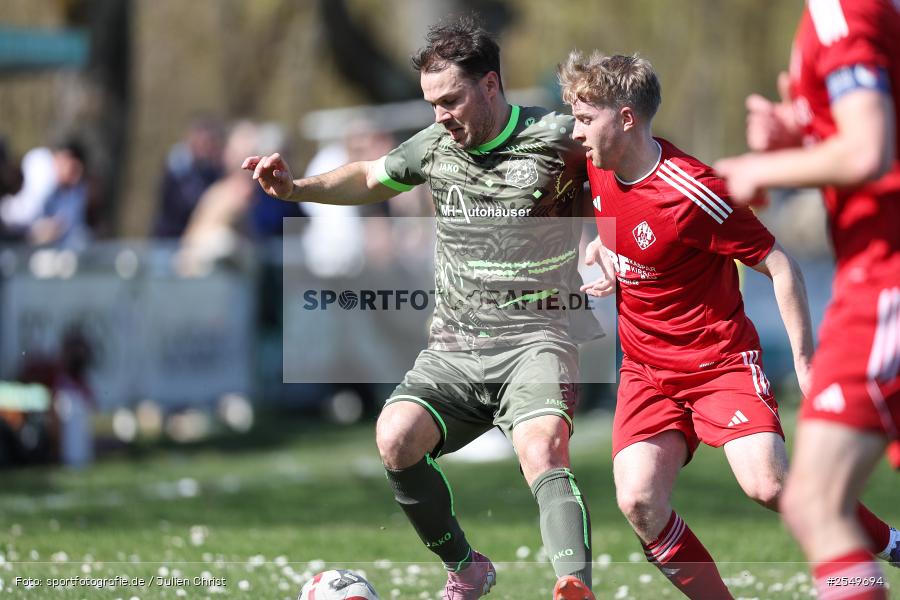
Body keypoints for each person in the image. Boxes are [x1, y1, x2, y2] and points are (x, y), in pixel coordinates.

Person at [244, 16, 597, 600]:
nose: (440, 115)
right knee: (395, 437)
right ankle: (465, 567)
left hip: (539, 339)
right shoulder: (435, 145)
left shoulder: (559, 135)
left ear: (490, 84)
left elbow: (626, 174)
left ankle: (572, 585)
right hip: (455, 348)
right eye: (431, 103)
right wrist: (296, 189)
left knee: (543, 449)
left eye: (451, 99)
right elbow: (369, 177)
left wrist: (603, 240)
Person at [558, 50, 899, 599]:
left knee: (769, 485)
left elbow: (780, 264)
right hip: (646, 370)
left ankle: (888, 545)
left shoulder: (692, 191)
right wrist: (601, 248)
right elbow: (618, 219)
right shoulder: (598, 166)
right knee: (639, 500)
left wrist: (808, 365)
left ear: (626, 117)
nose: (575, 132)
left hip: (718, 365)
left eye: (583, 118)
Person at [714, 1, 900, 597]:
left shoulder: (841, 10)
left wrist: (761, 170)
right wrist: (801, 128)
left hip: (886, 278)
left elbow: (868, 149)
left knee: (815, 498)